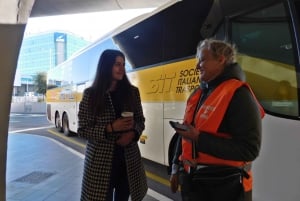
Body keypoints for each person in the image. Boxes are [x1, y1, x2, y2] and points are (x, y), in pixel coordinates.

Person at [169, 39, 265, 201]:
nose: (197, 66)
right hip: (195, 184)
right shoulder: (199, 93)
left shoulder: (239, 94)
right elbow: (184, 133)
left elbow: (249, 150)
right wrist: (175, 168)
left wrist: (199, 138)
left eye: (203, 60)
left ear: (221, 59)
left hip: (226, 188)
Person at [77, 49, 148, 201]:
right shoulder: (91, 94)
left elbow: (140, 120)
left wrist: (132, 134)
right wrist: (111, 128)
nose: (122, 68)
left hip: (128, 161)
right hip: (100, 164)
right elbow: (82, 129)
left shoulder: (132, 92)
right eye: (117, 64)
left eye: (123, 64)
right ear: (106, 66)